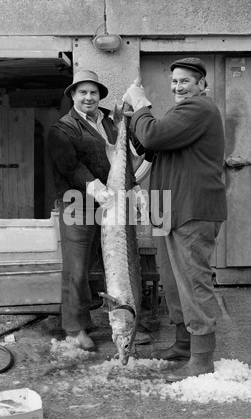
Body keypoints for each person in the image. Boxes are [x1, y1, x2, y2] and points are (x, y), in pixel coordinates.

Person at [122, 57, 227, 381]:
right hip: (171, 209)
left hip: (191, 210)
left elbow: (152, 135)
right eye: (175, 81)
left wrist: (140, 104)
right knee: (173, 280)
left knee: (194, 282)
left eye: (185, 81)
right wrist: (131, 121)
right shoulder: (181, 114)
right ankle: (183, 344)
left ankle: (202, 359)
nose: (178, 86)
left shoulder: (199, 109)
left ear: (201, 85)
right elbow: (150, 145)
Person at [47, 70, 118, 351]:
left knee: (111, 266)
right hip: (78, 203)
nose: (89, 97)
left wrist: (133, 187)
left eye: (93, 92)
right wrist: (94, 186)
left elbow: (120, 155)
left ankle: (118, 322)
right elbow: (71, 165)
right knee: (77, 268)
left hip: (111, 204)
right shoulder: (62, 128)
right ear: (73, 96)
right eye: (83, 92)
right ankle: (75, 330)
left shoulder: (110, 122)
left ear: (100, 95)